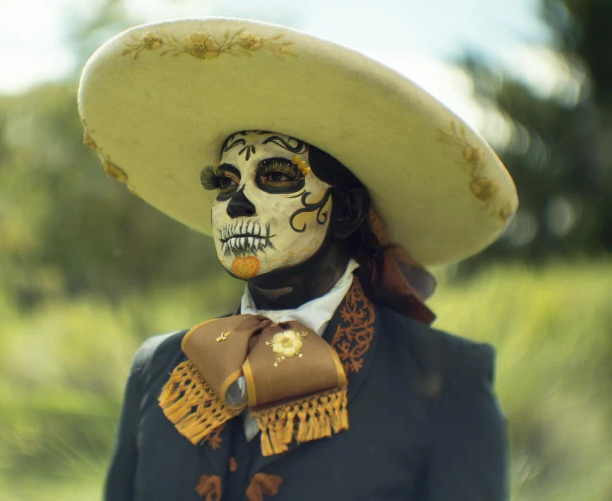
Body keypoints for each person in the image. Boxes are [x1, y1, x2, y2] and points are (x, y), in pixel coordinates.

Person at [78, 17, 517, 501]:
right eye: (224, 182)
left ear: (347, 211)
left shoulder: (445, 378)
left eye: (277, 174)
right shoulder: (158, 368)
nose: (236, 203)